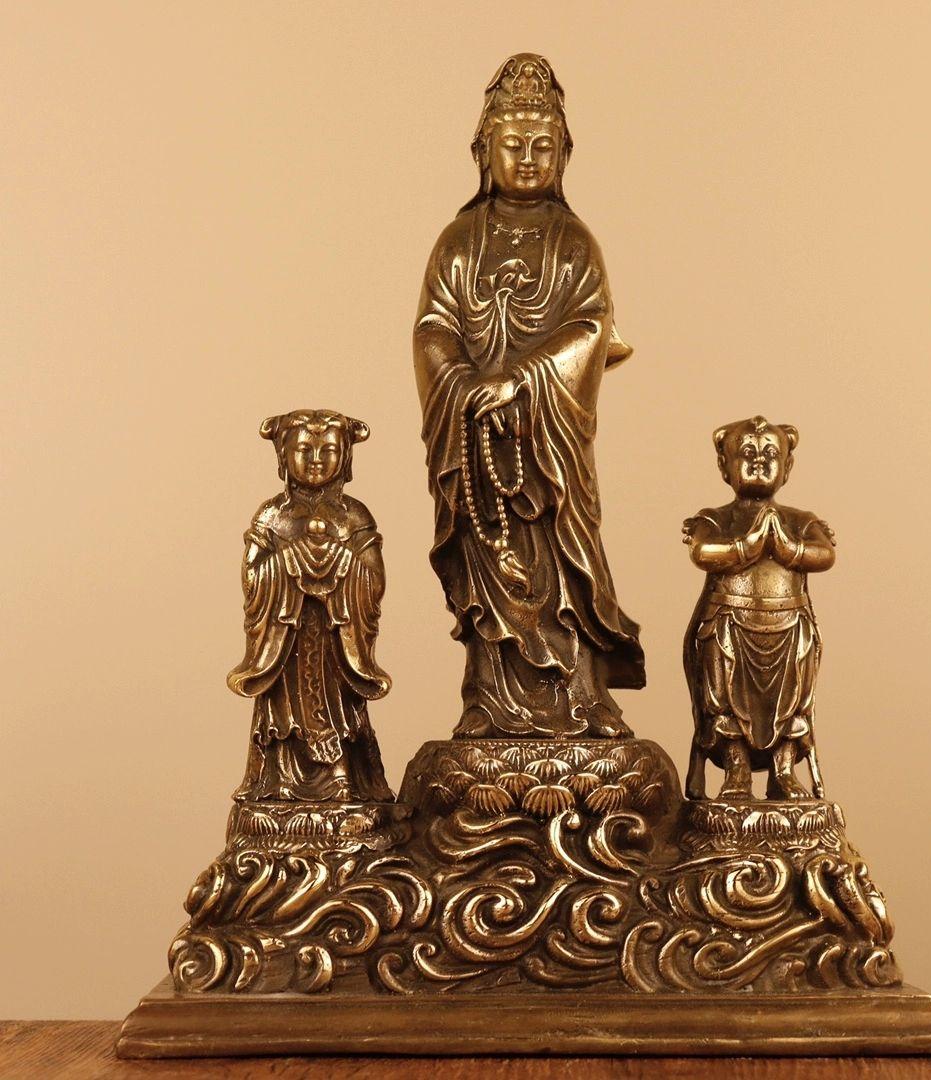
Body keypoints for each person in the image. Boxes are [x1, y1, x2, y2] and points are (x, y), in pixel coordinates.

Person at [413, 53, 645, 738]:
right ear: (484, 152)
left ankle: (583, 698)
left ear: (563, 155)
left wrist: (522, 378)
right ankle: (488, 701)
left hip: (549, 448)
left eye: (543, 146)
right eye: (513, 144)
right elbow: (433, 329)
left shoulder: (574, 242)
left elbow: (592, 327)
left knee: (560, 566)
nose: (526, 159)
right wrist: (463, 384)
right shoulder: (459, 241)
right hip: (480, 444)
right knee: (491, 567)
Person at [228, 409, 393, 802]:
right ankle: (277, 781)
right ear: (284, 456)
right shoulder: (273, 516)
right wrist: (287, 563)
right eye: (304, 450)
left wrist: (343, 564)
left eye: (329, 450)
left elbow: (374, 579)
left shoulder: (354, 516)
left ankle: (343, 777)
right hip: (288, 641)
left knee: (340, 707)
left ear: (346, 457)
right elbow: (252, 577)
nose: (317, 459)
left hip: (336, 640)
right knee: (285, 710)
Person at [682, 416, 835, 800]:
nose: (759, 461)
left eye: (770, 454)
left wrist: (787, 547)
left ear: (788, 466)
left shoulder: (800, 521)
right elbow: (703, 551)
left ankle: (784, 771)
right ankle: (736, 769)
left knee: (790, 701)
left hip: (790, 626)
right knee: (724, 699)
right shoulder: (715, 518)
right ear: (724, 466)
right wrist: (748, 545)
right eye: (747, 453)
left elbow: (825, 554)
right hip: (728, 624)